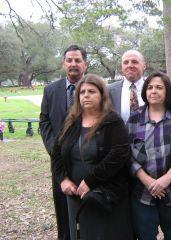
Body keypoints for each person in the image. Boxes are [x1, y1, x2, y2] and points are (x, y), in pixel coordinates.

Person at [51, 74, 133, 240]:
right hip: (76, 196)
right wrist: (63, 179)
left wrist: (90, 181)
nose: (86, 95)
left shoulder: (112, 121)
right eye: (82, 92)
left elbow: (119, 154)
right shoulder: (72, 121)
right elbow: (57, 153)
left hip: (105, 194)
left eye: (92, 91)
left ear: (102, 95)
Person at [127, 71, 171, 240]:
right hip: (143, 192)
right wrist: (148, 180)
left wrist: (166, 179)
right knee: (146, 236)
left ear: (167, 92)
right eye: (150, 87)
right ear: (145, 92)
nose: (153, 91)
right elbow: (126, 154)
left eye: (159, 87)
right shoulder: (134, 118)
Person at [39, 45, 88, 240]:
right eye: (69, 60)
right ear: (63, 63)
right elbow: (44, 122)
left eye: (77, 60)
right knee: (62, 208)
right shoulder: (51, 90)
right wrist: (55, 151)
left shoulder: (97, 88)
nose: (73, 64)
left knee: (88, 207)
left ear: (85, 63)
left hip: (87, 160)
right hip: (59, 163)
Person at [108, 49, 147, 123]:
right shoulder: (109, 91)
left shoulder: (152, 89)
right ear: (122, 67)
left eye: (134, 62)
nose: (130, 65)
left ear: (144, 66)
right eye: (126, 62)